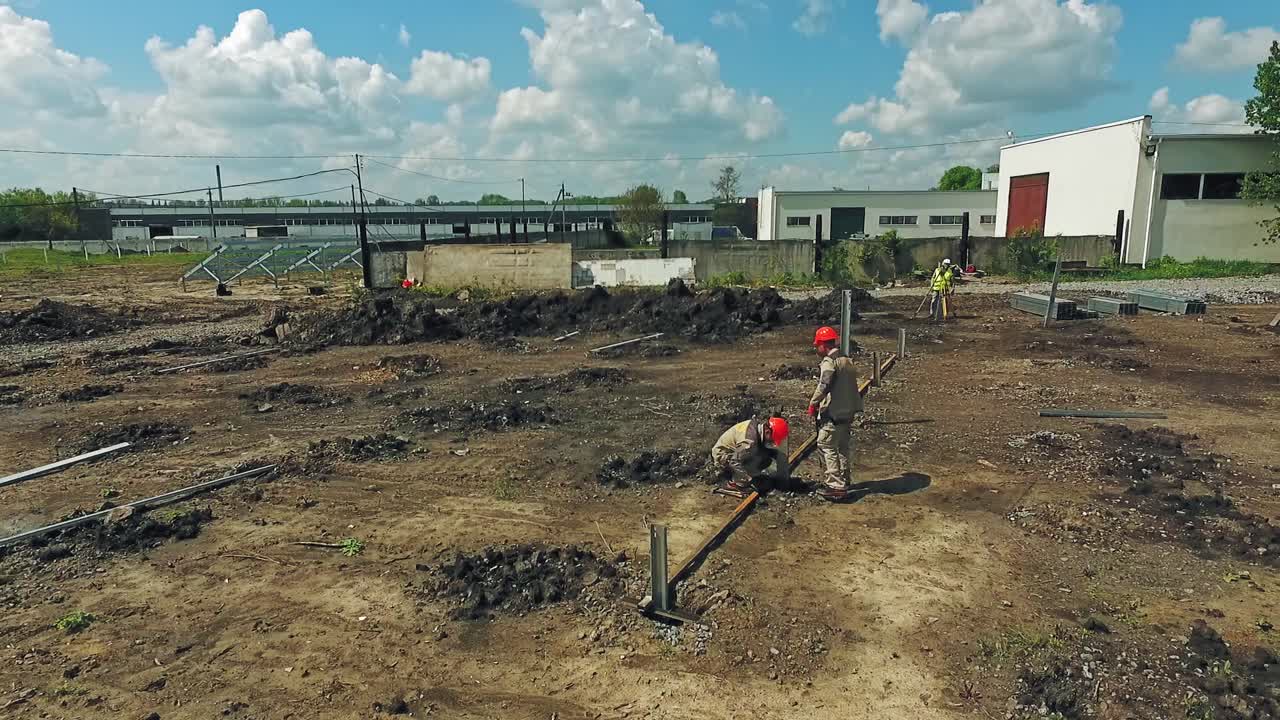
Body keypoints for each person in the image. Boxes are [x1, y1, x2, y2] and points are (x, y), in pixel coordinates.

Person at [807, 326, 863, 500]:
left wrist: (813, 402)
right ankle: (844, 480)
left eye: (817, 346)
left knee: (826, 445)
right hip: (849, 411)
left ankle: (835, 486)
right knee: (842, 446)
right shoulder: (847, 360)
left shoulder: (829, 362)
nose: (817, 349)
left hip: (834, 412)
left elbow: (824, 384)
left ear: (823, 345)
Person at [711, 416, 790, 494]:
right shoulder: (749, 442)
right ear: (767, 432)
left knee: (765, 459)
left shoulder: (757, 428)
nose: (772, 442)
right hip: (722, 455)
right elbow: (734, 461)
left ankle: (748, 473)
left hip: (735, 452)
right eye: (772, 439)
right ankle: (735, 484)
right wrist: (749, 479)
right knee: (754, 463)